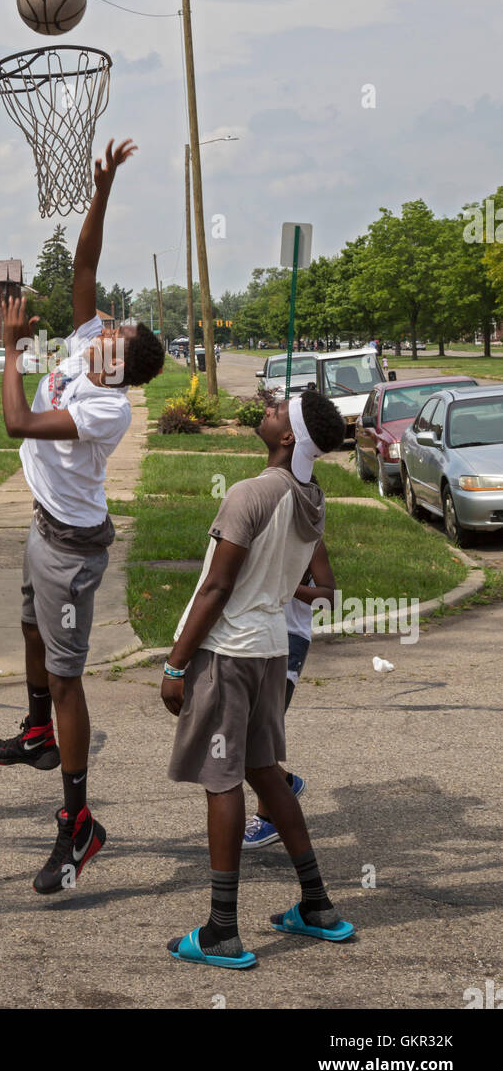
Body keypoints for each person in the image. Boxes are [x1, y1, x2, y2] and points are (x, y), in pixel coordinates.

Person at [0, 138, 165, 894]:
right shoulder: (89, 346)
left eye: (112, 331)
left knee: (66, 680)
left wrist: (15, 352)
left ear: (118, 364)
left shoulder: (102, 405)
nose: (102, 323)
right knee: (29, 632)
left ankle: (79, 823)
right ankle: (36, 736)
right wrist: (104, 188)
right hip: (44, 524)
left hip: (72, 545)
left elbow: (18, 426)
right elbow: (85, 266)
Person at [161, 389, 354, 968]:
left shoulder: (250, 495)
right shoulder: (310, 496)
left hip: (228, 654)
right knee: (265, 776)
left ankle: (222, 931)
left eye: (276, 412)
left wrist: (175, 664)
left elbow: (217, 588)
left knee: (221, 783)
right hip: (271, 651)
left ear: (289, 436)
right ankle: (317, 906)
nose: (265, 413)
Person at [242, 539, 335, 848]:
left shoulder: (310, 543)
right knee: (242, 733)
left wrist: (289, 586)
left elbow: (328, 598)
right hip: (251, 635)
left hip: (288, 639)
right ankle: (283, 783)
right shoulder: (258, 532)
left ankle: (268, 818)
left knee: (259, 733)